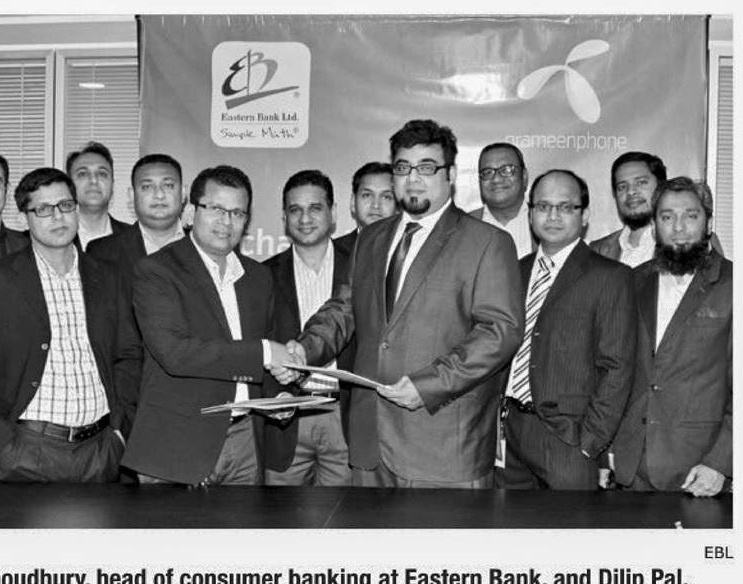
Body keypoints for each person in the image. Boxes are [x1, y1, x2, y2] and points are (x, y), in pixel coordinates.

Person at [280, 119, 524, 488]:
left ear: (451, 175)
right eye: (402, 167)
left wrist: (429, 384)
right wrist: (304, 349)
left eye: (426, 167)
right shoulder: (371, 238)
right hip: (369, 443)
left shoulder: (487, 242)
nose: (413, 178)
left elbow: (500, 332)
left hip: (443, 447)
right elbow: (344, 309)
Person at [0, 167, 140, 482]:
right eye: (43, 209)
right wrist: (3, 445)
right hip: (25, 451)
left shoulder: (110, 276)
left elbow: (129, 356)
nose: (58, 217)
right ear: (24, 218)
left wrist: (120, 432)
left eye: (65, 205)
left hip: (100, 451)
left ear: (76, 209)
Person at [122, 165, 294, 486]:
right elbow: (175, 353)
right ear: (191, 212)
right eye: (216, 209)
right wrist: (265, 352)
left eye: (237, 213)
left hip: (245, 440)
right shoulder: (157, 271)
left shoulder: (258, 277)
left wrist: (280, 396)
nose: (226, 222)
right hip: (177, 444)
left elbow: (265, 354)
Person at [497, 170, 636, 490]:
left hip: (567, 438)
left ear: (584, 215)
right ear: (530, 213)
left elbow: (617, 368)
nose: (553, 216)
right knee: (505, 520)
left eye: (565, 207)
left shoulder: (610, 277)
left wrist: (590, 442)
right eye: (543, 206)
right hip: (507, 431)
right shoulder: (514, 271)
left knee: (569, 522)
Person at [612, 177, 731, 497]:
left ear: (708, 223)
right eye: (667, 217)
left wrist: (720, 463)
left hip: (700, 470)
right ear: (654, 226)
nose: (679, 227)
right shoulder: (631, 281)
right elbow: (614, 371)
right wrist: (605, 453)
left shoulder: (733, 285)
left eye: (691, 216)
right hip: (630, 467)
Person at [263, 170, 353, 486]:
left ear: (333, 213)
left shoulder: (361, 268)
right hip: (286, 419)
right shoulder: (262, 276)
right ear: (284, 217)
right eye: (295, 210)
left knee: (344, 514)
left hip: (344, 420)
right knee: (278, 515)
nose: (304, 218)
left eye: (315, 208)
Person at [590, 151, 722, 265]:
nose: (631, 192)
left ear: (661, 187)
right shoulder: (598, 250)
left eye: (641, 182)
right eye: (622, 187)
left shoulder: (695, 240)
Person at [86, 154, 186, 278]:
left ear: (183, 193)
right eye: (147, 187)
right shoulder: (102, 252)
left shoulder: (203, 245)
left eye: (168, 185)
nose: (159, 194)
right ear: (132, 195)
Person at [469, 142, 532, 257]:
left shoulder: (546, 221)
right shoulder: (460, 228)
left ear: (524, 176)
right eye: (487, 172)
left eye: (507, 170)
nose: (496, 179)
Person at [66, 141, 131, 250]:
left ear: (112, 184)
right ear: (69, 186)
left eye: (102, 173)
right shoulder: (53, 237)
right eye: (82, 174)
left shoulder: (135, 239)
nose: (93, 180)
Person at [333, 161, 396, 255]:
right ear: (353, 202)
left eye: (386, 197)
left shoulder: (410, 251)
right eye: (367, 195)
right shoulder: (332, 252)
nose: (375, 205)